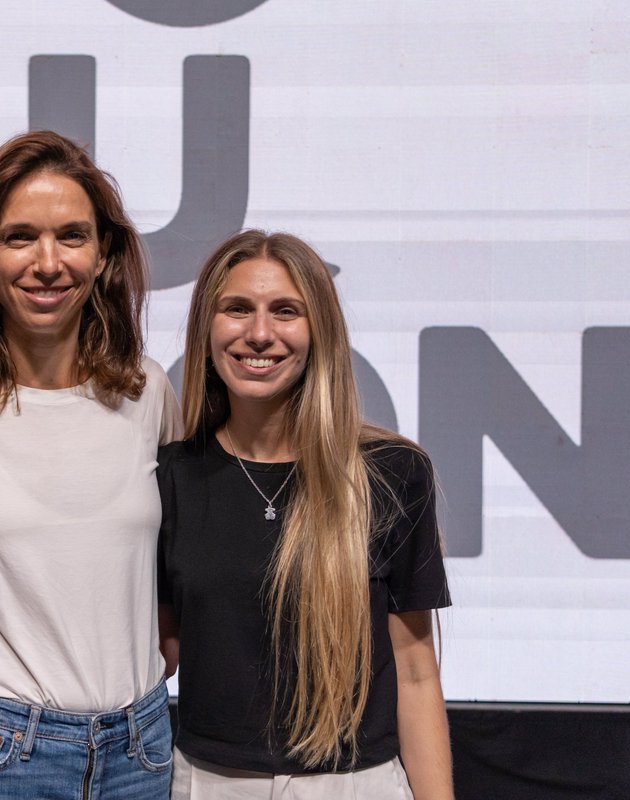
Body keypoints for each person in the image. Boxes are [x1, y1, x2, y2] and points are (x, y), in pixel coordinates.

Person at [0, 130, 181, 798]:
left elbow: (185, 559)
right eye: (20, 237)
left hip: (139, 754)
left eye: (72, 236)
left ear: (104, 252)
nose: (48, 263)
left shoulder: (147, 390)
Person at [158, 230, 453, 799]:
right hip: (206, 783)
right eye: (237, 309)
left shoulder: (392, 473)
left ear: (319, 331)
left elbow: (416, 674)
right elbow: (157, 655)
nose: (259, 333)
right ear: (206, 328)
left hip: (357, 784)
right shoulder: (170, 477)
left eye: (285, 311)